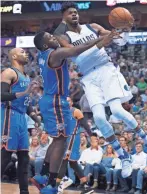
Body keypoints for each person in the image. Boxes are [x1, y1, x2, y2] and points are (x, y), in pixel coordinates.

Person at [53, 1, 142, 178]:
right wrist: (101, 42)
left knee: (117, 110)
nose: (74, 15)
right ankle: (123, 156)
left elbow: (120, 41)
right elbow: (77, 56)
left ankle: (144, 143)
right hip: (88, 76)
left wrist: (126, 29)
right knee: (100, 118)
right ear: (64, 17)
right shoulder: (64, 37)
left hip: (105, 68)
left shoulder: (92, 27)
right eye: (70, 13)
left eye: (75, 12)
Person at [31, 31, 116, 193]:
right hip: (56, 101)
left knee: (57, 140)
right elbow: (77, 50)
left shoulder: (44, 55)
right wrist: (101, 39)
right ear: (44, 45)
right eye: (50, 37)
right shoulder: (55, 53)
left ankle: (42, 175)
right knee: (61, 141)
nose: (54, 38)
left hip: (49, 99)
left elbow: (69, 46)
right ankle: (50, 184)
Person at [1, 48, 41, 194]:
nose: (26, 54)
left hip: (22, 118)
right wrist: (24, 92)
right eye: (22, 52)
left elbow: (26, 101)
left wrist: (36, 118)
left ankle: (24, 191)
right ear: (14, 56)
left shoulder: (26, 77)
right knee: (5, 155)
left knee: (24, 158)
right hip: (9, 115)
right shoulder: (9, 73)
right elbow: (1, 95)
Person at [57, 97, 93, 194]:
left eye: (68, 100)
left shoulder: (75, 111)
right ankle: (86, 186)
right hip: (64, 138)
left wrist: (92, 136)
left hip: (72, 138)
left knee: (63, 161)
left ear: (72, 103)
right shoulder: (61, 112)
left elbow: (85, 124)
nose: (66, 102)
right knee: (73, 163)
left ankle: (56, 186)